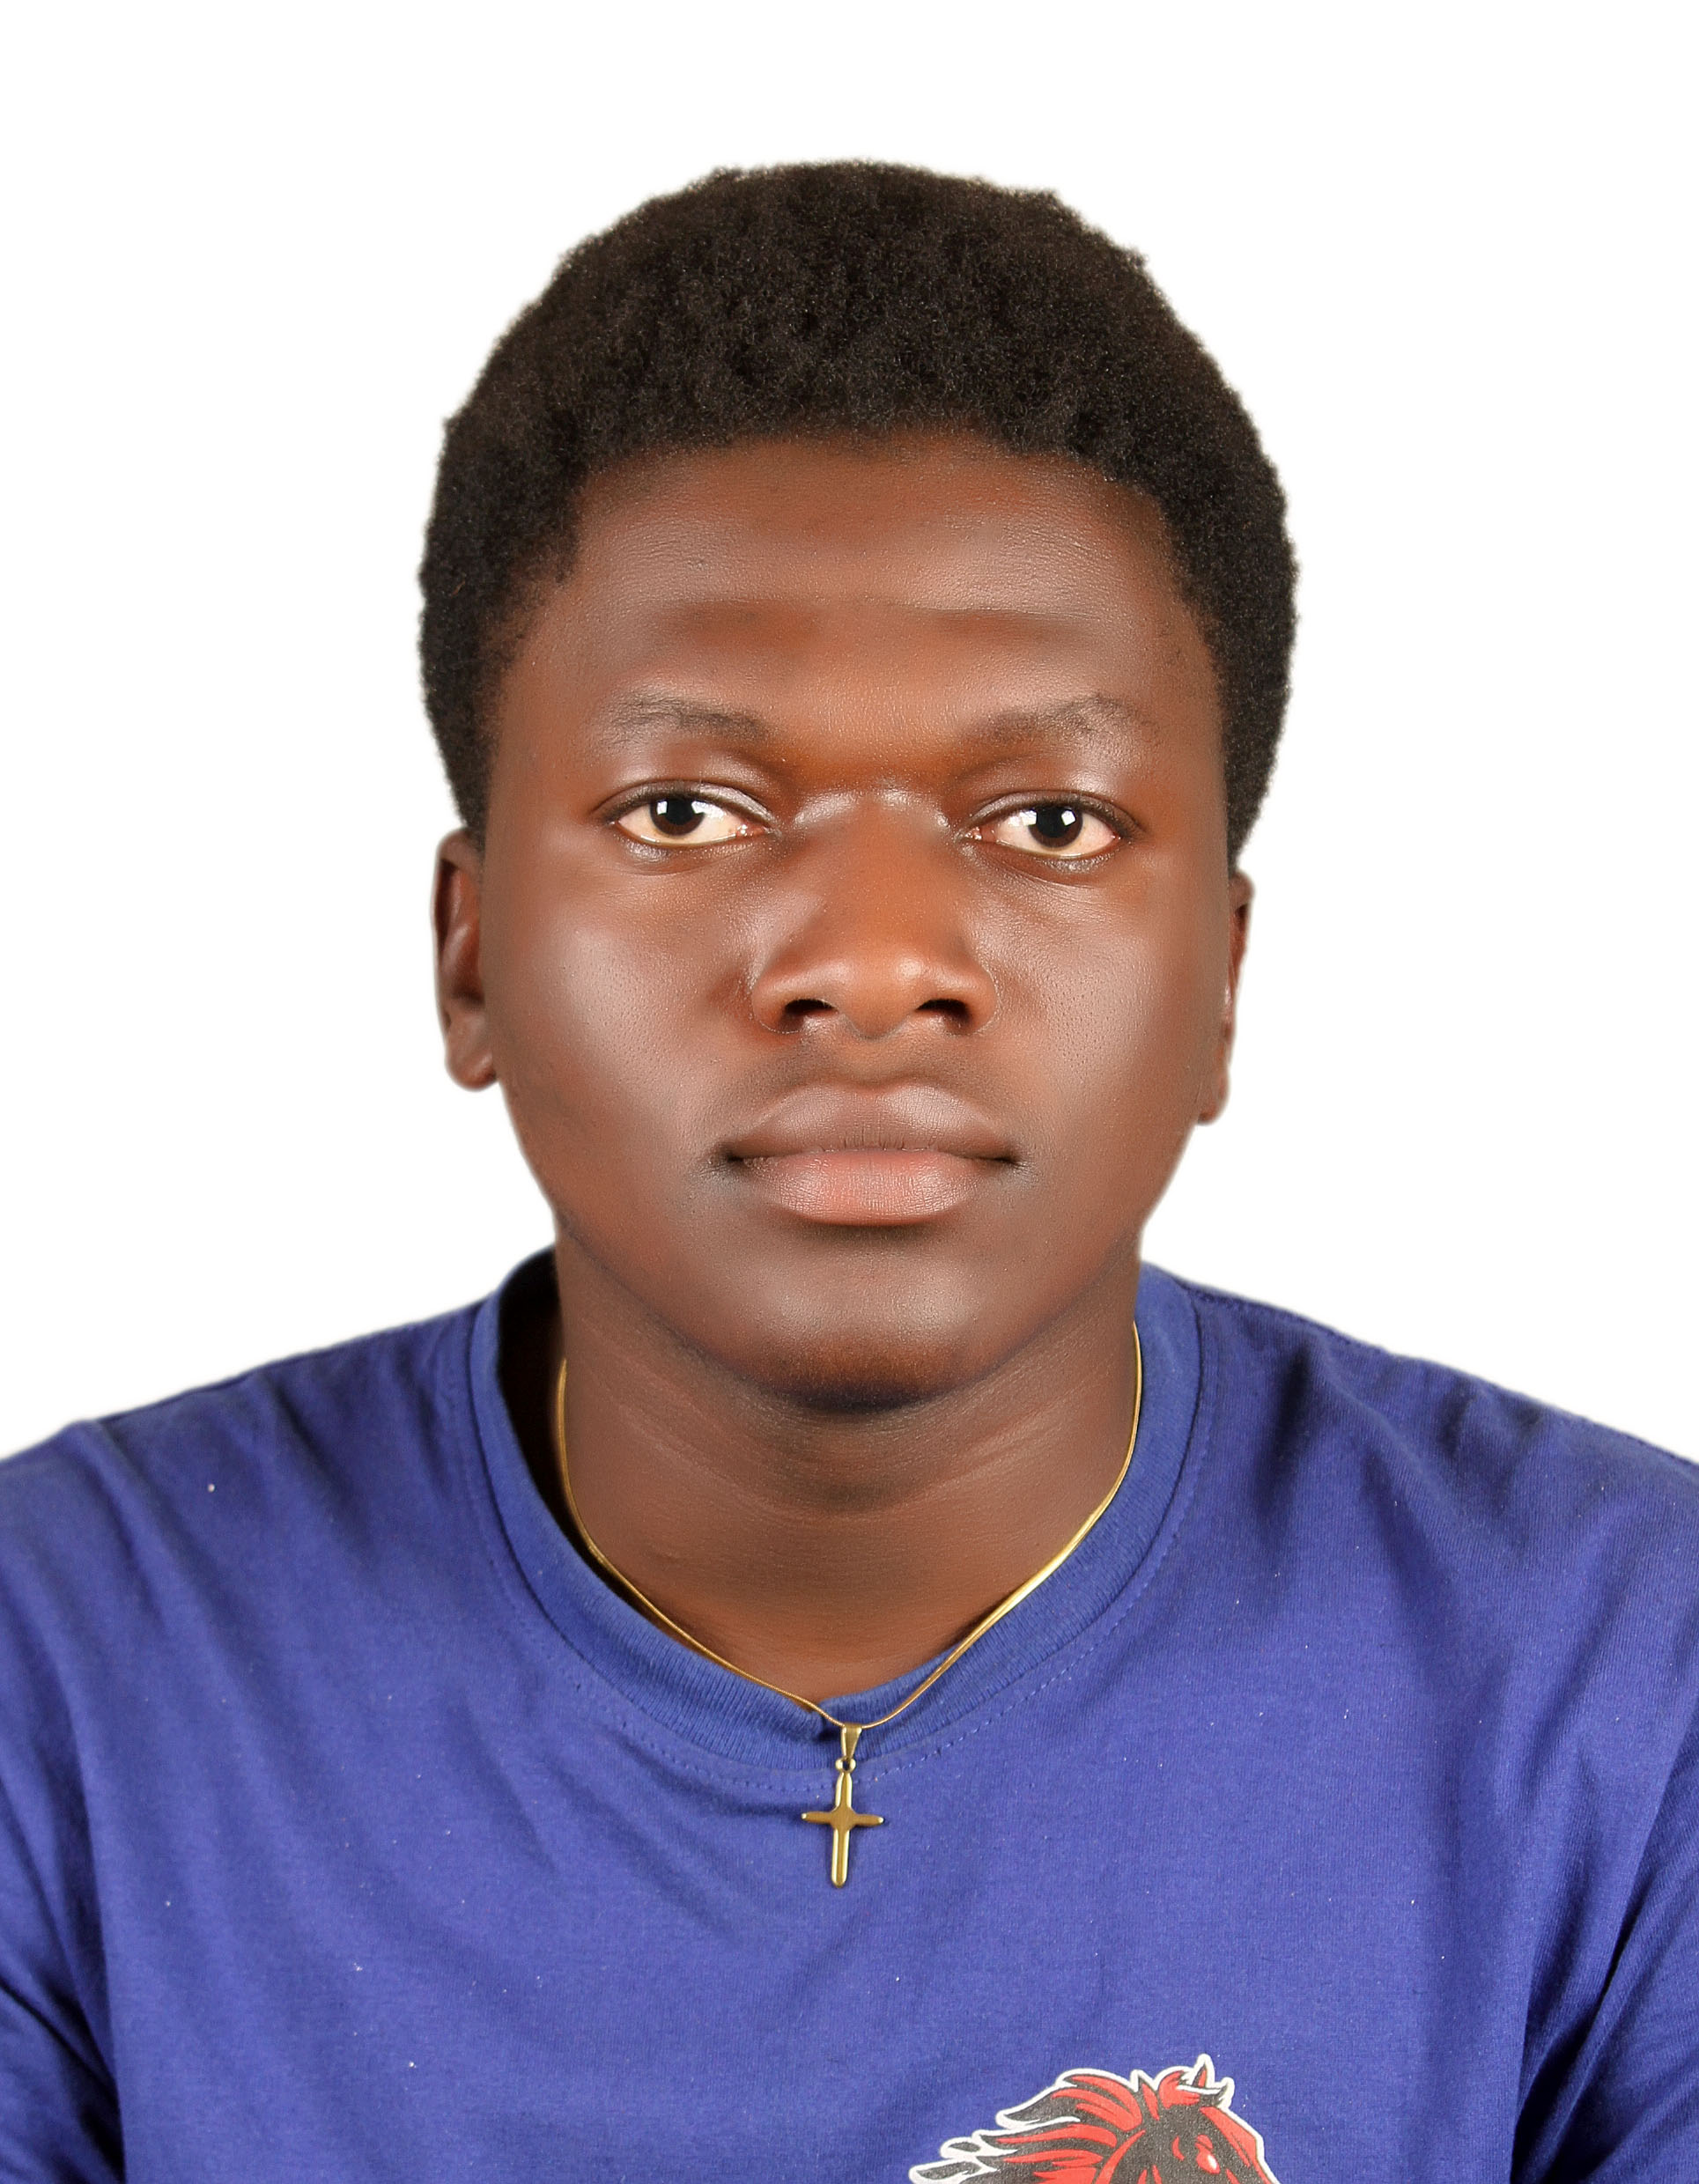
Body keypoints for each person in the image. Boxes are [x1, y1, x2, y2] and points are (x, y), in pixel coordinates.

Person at [2, 162, 1694, 2183]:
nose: (874, 963)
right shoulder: (64, 1660)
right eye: (686, 807)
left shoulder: (1619, 1671)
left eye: (1048, 820)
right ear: (471, 961)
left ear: (1220, 982)